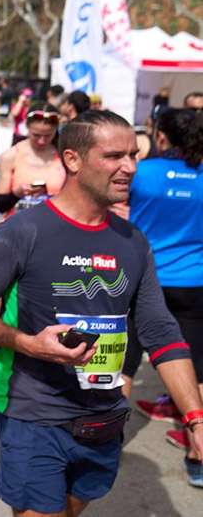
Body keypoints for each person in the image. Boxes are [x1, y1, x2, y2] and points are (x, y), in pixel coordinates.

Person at [0, 109, 203, 515]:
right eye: (113, 156)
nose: (129, 167)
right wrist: (28, 345)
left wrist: (195, 418)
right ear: (72, 159)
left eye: (133, 155)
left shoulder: (133, 241)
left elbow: (162, 332)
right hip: (33, 412)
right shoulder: (24, 230)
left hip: (102, 417)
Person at [120, 109, 203, 482]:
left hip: (144, 280)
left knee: (123, 364)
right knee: (198, 369)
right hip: (194, 283)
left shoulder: (144, 172)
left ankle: (106, 443)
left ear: (162, 136)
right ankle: (198, 457)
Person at [0, 104, 66, 382]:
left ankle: (38, 348)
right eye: (36, 134)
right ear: (27, 129)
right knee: (5, 295)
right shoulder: (11, 155)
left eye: (47, 135)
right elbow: (0, 203)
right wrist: (18, 191)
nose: (41, 140)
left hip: (52, 236)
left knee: (44, 296)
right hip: (14, 235)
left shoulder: (64, 157)